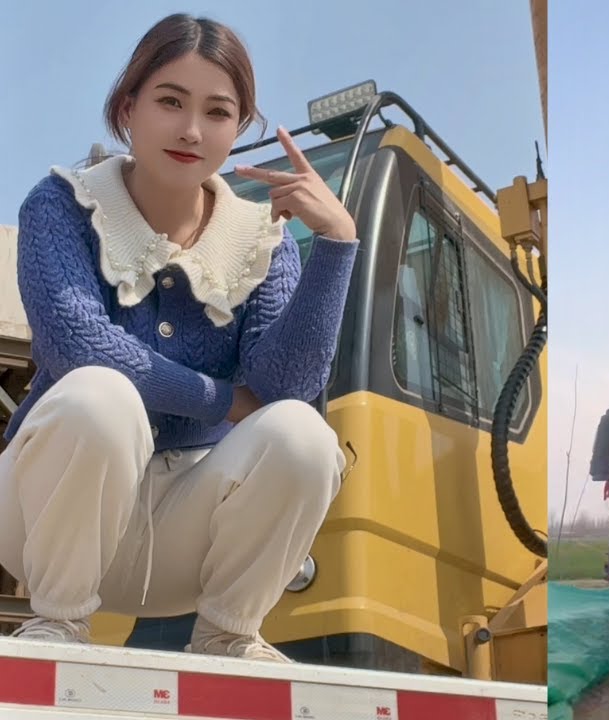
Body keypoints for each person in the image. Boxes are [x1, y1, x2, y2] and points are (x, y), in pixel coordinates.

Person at [0, 13, 359, 662]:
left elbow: (284, 390)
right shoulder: (61, 205)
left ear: (238, 129)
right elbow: (79, 346)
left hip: (186, 541)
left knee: (305, 434)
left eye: (218, 112)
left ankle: (229, 633)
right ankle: (58, 624)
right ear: (127, 109)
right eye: (170, 102)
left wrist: (336, 245)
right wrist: (222, 399)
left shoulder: (263, 243)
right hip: (44, 521)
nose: (192, 130)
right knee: (100, 393)